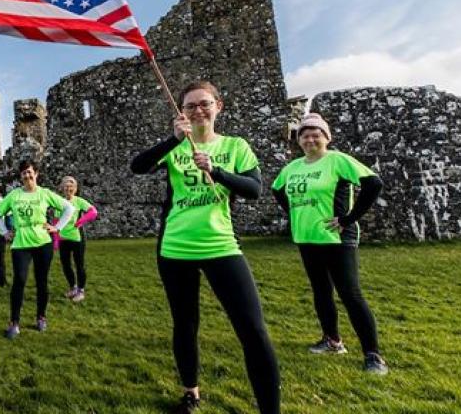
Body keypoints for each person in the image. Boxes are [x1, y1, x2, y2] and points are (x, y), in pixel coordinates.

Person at [130, 80, 279, 414]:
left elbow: (254, 189)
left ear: (218, 106)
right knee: (185, 323)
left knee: (253, 330)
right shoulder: (176, 147)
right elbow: (137, 167)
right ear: (181, 112)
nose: (198, 110)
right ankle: (190, 392)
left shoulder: (235, 145)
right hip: (175, 248)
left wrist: (217, 170)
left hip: (222, 245)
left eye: (204, 103)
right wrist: (173, 139)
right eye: (190, 106)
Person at [271, 113, 388, 375]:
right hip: (307, 238)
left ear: (327, 137)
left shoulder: (337, 160)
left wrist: (350, 218)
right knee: (321, 292)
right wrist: (294, 213)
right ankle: (332, 341)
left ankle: (373, 355)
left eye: (316, 134)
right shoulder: (293, 167)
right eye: (305, 134)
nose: (310, 138)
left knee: (350, 294)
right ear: (298, 140)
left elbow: (373, 183)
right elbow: (277, 189)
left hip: (337, 239)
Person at [0, 160, 74, 339]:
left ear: (36, 174)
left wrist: (57, 227)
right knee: (19, 281)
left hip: (42, 243)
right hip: (21, 243)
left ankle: (41, 317)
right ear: (20, 176)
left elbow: (68, 208)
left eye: (29, 172)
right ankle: (14, 322)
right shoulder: (14, 195)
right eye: (23, 173)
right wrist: (4, 232)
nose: (27, 176)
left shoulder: (44, 193)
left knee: (41, 281)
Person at [56, 176, 98, 303]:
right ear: (62, 188)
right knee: (66, 265)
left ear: (75, 189)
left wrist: (81, 220)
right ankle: (73, 287)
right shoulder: (59, 202)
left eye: (71, 186)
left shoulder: (79, 201)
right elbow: (56, 221)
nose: (69, 188)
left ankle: (81, 290)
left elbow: (93, 212)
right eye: (66, 186)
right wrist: (56, 240)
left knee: (79, 264)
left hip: (77, 238)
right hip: (63, 238)